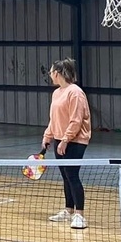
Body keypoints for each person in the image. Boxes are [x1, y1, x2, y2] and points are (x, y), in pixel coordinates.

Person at [41, 58, 91, 230]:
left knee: (72, 175)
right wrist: (48, 136)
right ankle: (68, 210)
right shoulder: (57, 93)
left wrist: (65, 139)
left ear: (59, 73)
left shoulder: (75, 92)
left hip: (75, 141)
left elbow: (76, 120)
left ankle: (80, 215)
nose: (50, 74)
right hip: (59, 139)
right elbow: (54, 119)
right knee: (65, 176)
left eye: (52, 71)